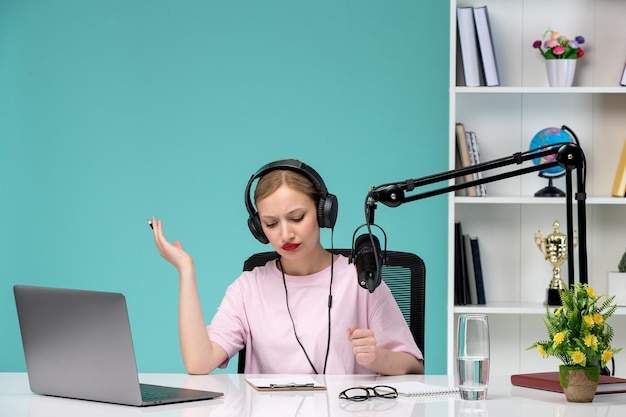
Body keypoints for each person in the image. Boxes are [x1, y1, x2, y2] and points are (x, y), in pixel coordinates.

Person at [151, 159, 424, 375]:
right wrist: (186, 271)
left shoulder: (361, 280)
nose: (285, 234)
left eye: (296, 218)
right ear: (259, 229)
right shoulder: (249, 287)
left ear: (323, 212)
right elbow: (199, 363)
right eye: (271, 224)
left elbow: (414, 367)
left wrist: (378, 358)